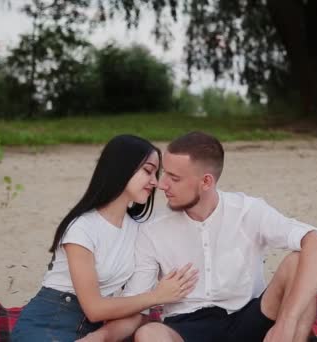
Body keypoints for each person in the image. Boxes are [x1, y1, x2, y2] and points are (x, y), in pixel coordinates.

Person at [85, 131, 317, 342]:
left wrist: (285, 323)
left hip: (249, 317)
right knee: (149, 334)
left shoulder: (248, 210)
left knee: (301, 263)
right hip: (186, 328)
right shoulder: (152, 229)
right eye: (164, 174)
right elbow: (136, 303)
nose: (161, 185)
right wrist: (100, 337)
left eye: (174, 178)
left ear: (206, 181)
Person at [11, 134, 198, 342]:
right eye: (148, 171)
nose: (155, 182)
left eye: (156, 174)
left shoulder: (139, 229)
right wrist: (157, 297)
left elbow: (135, 308)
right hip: (53, 317)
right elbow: (94, 308)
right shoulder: (82, 228)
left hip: (99, 326)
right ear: (122, 168)